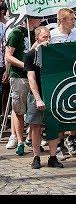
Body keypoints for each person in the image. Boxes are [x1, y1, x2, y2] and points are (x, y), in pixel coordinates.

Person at [23, 26, 64, 169]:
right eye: (44, 37)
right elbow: (31, 79)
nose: (47, 40)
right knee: (35, 126)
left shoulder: (54, 53)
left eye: (49, 37)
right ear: (37, 38)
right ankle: (36, 157)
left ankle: (53, 157)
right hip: (37, 95)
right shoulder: (30, 55)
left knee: (54, 126)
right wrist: (38, 98)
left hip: (53, 95)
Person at [50, 8, 76, 157]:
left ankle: (72, 138)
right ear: (62, 21)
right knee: (60, 109)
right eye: (71, 19)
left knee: (75, 107)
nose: (74, 21)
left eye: (74, 19)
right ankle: (58, 142)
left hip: (75, 76)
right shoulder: (52, 35)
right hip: (58, 77)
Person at [5, 16, 41, 156]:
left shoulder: (36, 32)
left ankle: (30, 139)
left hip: (34, 77)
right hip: (19, 77)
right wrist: (25, 66)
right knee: (19, 110)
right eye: (37, 17)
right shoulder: (16, 33)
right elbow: (8, 55)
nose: (40, 19)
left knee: (34, 110)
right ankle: (19, 141)